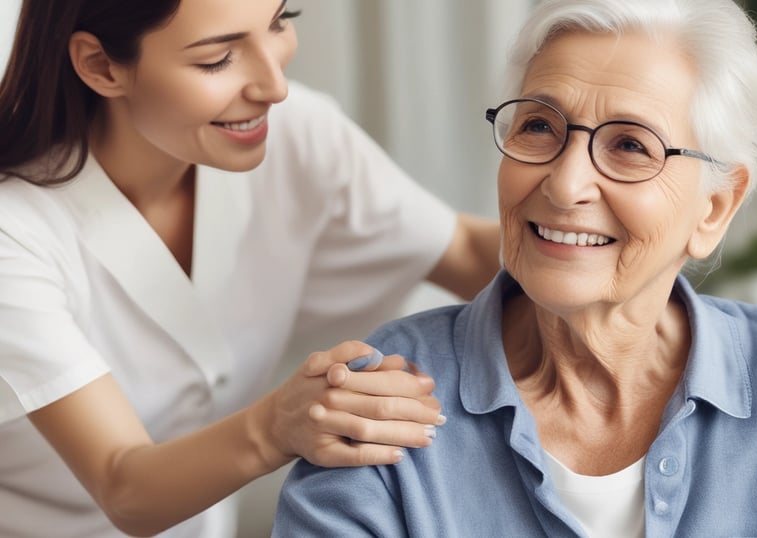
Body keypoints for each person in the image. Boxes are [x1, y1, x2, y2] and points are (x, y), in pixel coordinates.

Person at [0, 1, 502, 537]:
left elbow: (465, 251)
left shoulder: (294, 133)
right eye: (218, 58)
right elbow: (125, 486)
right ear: (101, 65)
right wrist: (277, 425)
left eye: (281, 22)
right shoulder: (16, 234)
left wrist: (583, 242)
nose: (274, 86)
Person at [273, 0, 757, 536]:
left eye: (629, 144)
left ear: (715, 207)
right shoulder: (382, 401)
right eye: (538, 126)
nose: (564, 184)